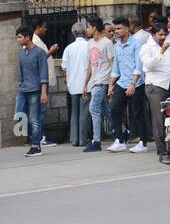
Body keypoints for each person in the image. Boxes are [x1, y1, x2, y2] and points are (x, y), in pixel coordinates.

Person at [107, 17, 148, 153]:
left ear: (127, 28)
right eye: (115, 29)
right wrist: (111, 84)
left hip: (136, 84)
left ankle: (143, 142)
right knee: (114, 109)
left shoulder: (136, 44)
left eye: (118, 29)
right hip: (122, 82)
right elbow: (116, 69)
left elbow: (139, 66)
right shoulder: (116, 46)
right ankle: (120, 140)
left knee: (137, 113)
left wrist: (133, 84)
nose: (116, 32)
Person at [141, 24, 170, 165]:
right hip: (155, 86)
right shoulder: (146, 48)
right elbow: (149, 65)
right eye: (160, 35)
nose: (163, 37)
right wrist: (161, 51)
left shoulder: (169, 47)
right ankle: (162, 153)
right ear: (153, 35)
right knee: (159, 121)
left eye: (164, 35)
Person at [15, 25, 49, 157]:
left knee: (34, 118)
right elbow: (21, 73)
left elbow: (43, 74)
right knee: (19, 116)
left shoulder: (39, 52)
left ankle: (36, 145)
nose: (18, 40)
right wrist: (20, 87)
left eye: (20, 37)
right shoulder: (22, 54)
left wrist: (44, 92)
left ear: (27, 37)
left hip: (36, 90)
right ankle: (35, 137)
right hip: (23, 89)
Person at [82, 16, 115, 152]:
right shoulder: (90, 43)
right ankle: (123, 130)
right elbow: (90, 64)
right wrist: (85, 84)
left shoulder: (107, 43)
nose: (87, 30)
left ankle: (96, 141)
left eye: (88, 27)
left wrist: (111, 84)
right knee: (106, 110)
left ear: (94, 28)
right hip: (94, 81)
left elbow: (113, 63)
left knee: (93, 108)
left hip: (103, 81)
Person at [61, 23, 92, 147]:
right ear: (84, 33)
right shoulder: (88, 46)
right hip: (86, 83)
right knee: (85, 112)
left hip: (73, 83)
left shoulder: (69, 48)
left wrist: (68, 80)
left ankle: (74, 138)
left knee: (74, 112)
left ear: (73, 33)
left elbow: (64, 67)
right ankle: (83, 138)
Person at [31, 20, 59, 147]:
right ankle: (40, 137)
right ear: (38, 27)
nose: (46, 30)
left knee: (40, 110)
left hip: (43, 79)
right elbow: (38, 61)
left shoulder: (37, 40)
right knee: (40, 111)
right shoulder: (35, 41)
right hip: (41, 81)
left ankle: (39, 136)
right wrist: (51, 51)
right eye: (44, 27)